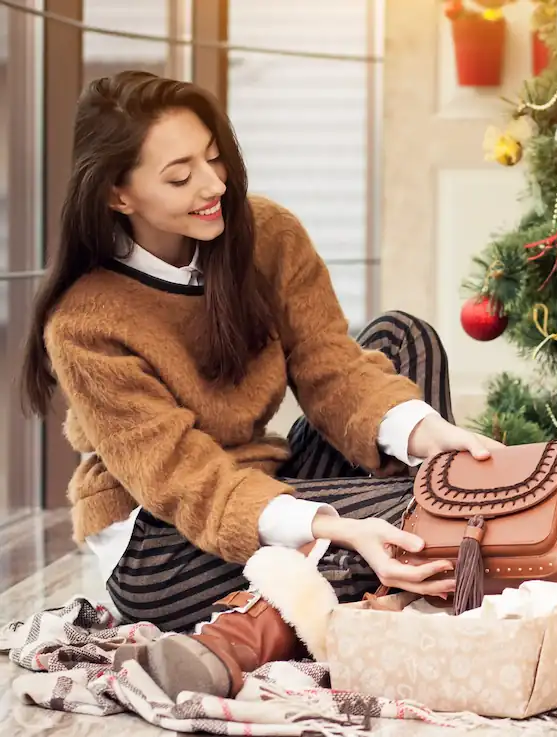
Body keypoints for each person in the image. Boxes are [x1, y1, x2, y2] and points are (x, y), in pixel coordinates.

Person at [21, 70, 503, 700]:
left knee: (404, 339)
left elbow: (332, 366)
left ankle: (278, 615)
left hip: (265, 481)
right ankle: (330, 592)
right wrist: (335, 524)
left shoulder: (266, 234)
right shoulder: (85, 323)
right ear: (118, 194)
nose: (213, 185)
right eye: (179, 175)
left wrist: (429, 434)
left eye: (214, 158)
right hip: (161, 540)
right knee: (432, 513)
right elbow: (186, 479)